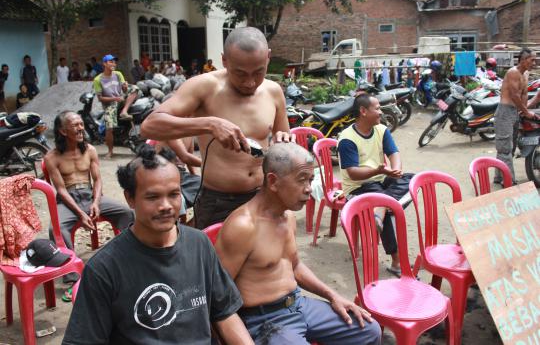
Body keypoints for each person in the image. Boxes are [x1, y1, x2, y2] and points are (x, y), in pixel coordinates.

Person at [62, 145, 253, 345]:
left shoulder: (200, 244)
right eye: (152, 197)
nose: (166, 206)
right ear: (130, 199)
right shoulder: (104, 268)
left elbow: (225, 313)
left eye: (173, 194)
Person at [215, 142, 381, 345]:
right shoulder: (243, 226)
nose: (309, 189)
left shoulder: (287, 216)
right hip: (265, 320)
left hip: (299, 304)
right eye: (302, 180)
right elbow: (217, 297)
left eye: (311, 180)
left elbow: (294, 265)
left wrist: (333, 296)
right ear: (273, 181)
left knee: (368, 330)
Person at [141, 27, 292, 229]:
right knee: (215, 260)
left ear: (268, 58)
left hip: (263, 195)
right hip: (220, 201)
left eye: (259, 72)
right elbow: (150, 126)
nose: (250, 82)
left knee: (265, 260)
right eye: (240, 73)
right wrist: (209, 124)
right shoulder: (204, 87)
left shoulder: (273, 91)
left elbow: (285, 142)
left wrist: (285, 142)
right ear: (224, 60)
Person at [44, 111, 133, 294]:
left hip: (90, 195)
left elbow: (98, 180)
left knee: (127, 212)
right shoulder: (52, 157)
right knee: (56, 229)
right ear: (62, 131)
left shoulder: (90, 150)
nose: (80, 128)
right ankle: (71, 274)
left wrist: (96, 202)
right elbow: (60, 189)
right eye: (75, 125)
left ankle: (126, 256)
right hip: (68, 200)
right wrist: (80, 213)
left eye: (81, 124)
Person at [337, 94, 414, 276]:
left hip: (380, 179)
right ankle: (397, 261)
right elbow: (353, 173)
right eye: (377, 108)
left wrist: (395, 170)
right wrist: (379, 171)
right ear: (363, 111)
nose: (381, 112)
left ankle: (380, 209)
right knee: (381, 199)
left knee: (412, 180)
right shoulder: (347, 138)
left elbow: (393, 152)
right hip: (357, 188)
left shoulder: (381, 129)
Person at [495, 48, 538, 185]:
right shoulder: (513, 73)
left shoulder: (525, 74)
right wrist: (526, 112)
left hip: (514, 112)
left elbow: (524, 94)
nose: (534, 63)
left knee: (509, 148)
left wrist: (523, 111)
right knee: (505, 148)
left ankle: (499, 177)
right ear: (524, 60)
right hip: (505, 112)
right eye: (532, 60)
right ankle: (509, 181)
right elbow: (514, 95)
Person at [93, 54, 139, 158]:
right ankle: (110, 151)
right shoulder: (97, 79)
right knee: (109, 127)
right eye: (111, 62)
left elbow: (124, 90)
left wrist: (125, 87)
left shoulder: (118, 74)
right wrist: (115, 99)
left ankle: (124, 111)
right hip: (110, 104)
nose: (113, 64)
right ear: (104, 64)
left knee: (135, 87)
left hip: (121, 99)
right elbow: (100, 98)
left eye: (114, 62)